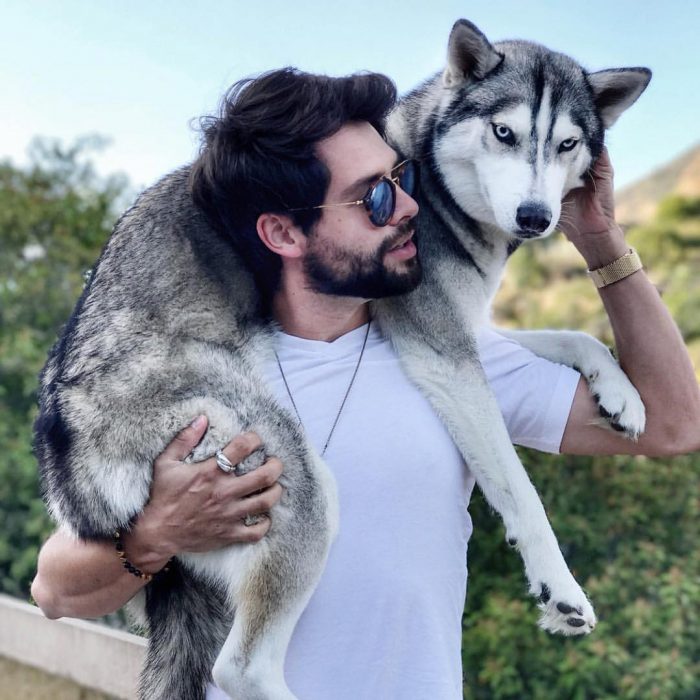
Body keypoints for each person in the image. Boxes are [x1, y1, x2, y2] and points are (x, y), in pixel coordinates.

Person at [31, 68, 700, 700]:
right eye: (375, 196)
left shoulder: (460, 361)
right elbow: (55, 591)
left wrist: (603, 241)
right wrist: (156, 532)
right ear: (283, 231)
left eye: (401, 177)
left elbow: (674, 423)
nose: (410, 205)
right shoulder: (197, 386)